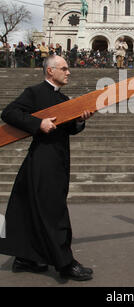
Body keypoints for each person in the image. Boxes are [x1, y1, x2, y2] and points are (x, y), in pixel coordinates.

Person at [0, 55, 94, 281]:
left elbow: (69, 128)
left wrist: (81, 119)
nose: (68, 72)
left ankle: (26, 258)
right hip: (43, 159)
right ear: (50, 71)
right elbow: (9, 113)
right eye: (64, 68)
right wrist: (38, 123)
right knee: (54, 211)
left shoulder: (63, 98)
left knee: (32, 208)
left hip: (58, 157)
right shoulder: (34, 92)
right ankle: (65, 263)